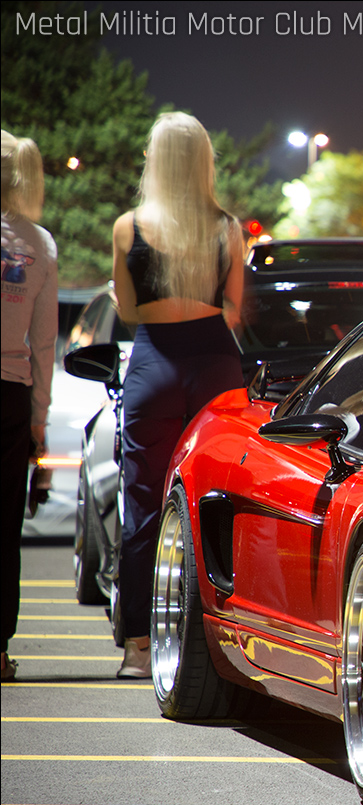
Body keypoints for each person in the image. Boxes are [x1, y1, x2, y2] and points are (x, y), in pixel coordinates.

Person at [112, 112, 245, 678]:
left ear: (155, 159)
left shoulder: (129, 227)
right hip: (214, 360)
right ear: (203, 162)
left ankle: (138, 647)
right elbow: (234, 310)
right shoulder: (226, 228)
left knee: (143, 501)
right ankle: (225, 643)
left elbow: (125, 309)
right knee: (221, 502)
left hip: (155, 360)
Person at [2, 130, 58, 683]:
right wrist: (39, 421)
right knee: (3, 527)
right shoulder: (38, 245)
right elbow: (44, 343)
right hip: (10, 392)